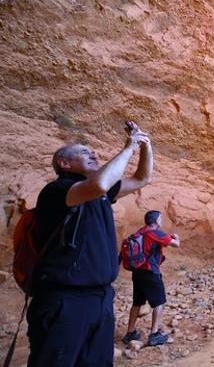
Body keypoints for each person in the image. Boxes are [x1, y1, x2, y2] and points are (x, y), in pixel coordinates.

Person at [28, 121, 153, 367]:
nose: (94, 154)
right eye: (85, 153)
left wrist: (145, 145)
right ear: (65, 164)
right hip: (65, 299)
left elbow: (142, 178)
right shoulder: (57, 190)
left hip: (101, 298)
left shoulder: (102, 194)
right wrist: (129, 146)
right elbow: (98, 184)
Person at [121, 210, 180, 347]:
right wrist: (176, 237)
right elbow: (176, 244)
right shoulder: (155, 232)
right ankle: (154, 335)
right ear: (156, 221)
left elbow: (154, 245)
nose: (161, 221)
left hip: (137, 272)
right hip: (150, 272)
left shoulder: (140, 232)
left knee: (137, 303)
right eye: (160, 218)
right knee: (159, 302)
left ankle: (130, 333)